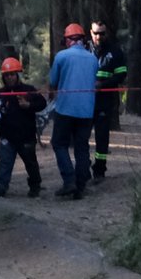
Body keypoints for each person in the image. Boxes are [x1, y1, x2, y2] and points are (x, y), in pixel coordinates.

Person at [46, 23, 100, 199]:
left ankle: (69, 180)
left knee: (59, 143)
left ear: (68, 40)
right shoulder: (93, 59)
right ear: (83, 39)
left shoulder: (61, 56)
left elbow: (53, 81)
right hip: (86, 111)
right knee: (81, 146)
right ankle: (81, 183)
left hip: (65, 109)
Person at [0, 57, 47, 197]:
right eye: (7, 75)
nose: (9, 78)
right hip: (7, 136)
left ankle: (35, 185)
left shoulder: (29, 90)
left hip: (26, 136)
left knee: (30, 162)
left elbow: (42, 103)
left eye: (12, 74)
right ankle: (1, 185)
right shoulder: (0, 93)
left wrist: (29, 106)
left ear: (18, 75)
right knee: (5, 162)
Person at [89, 21, 128, 184]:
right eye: (96, 33)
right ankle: (83, 167)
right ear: (91, 32)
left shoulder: (115, 51)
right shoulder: (84, 50)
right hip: (85, 101)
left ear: (107, 33)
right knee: (81, 135)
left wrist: (103, 85)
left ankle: (100, 169)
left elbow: (121, 75)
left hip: (105, 101)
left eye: (102, 33)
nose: (99, 36)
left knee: (102, 136)